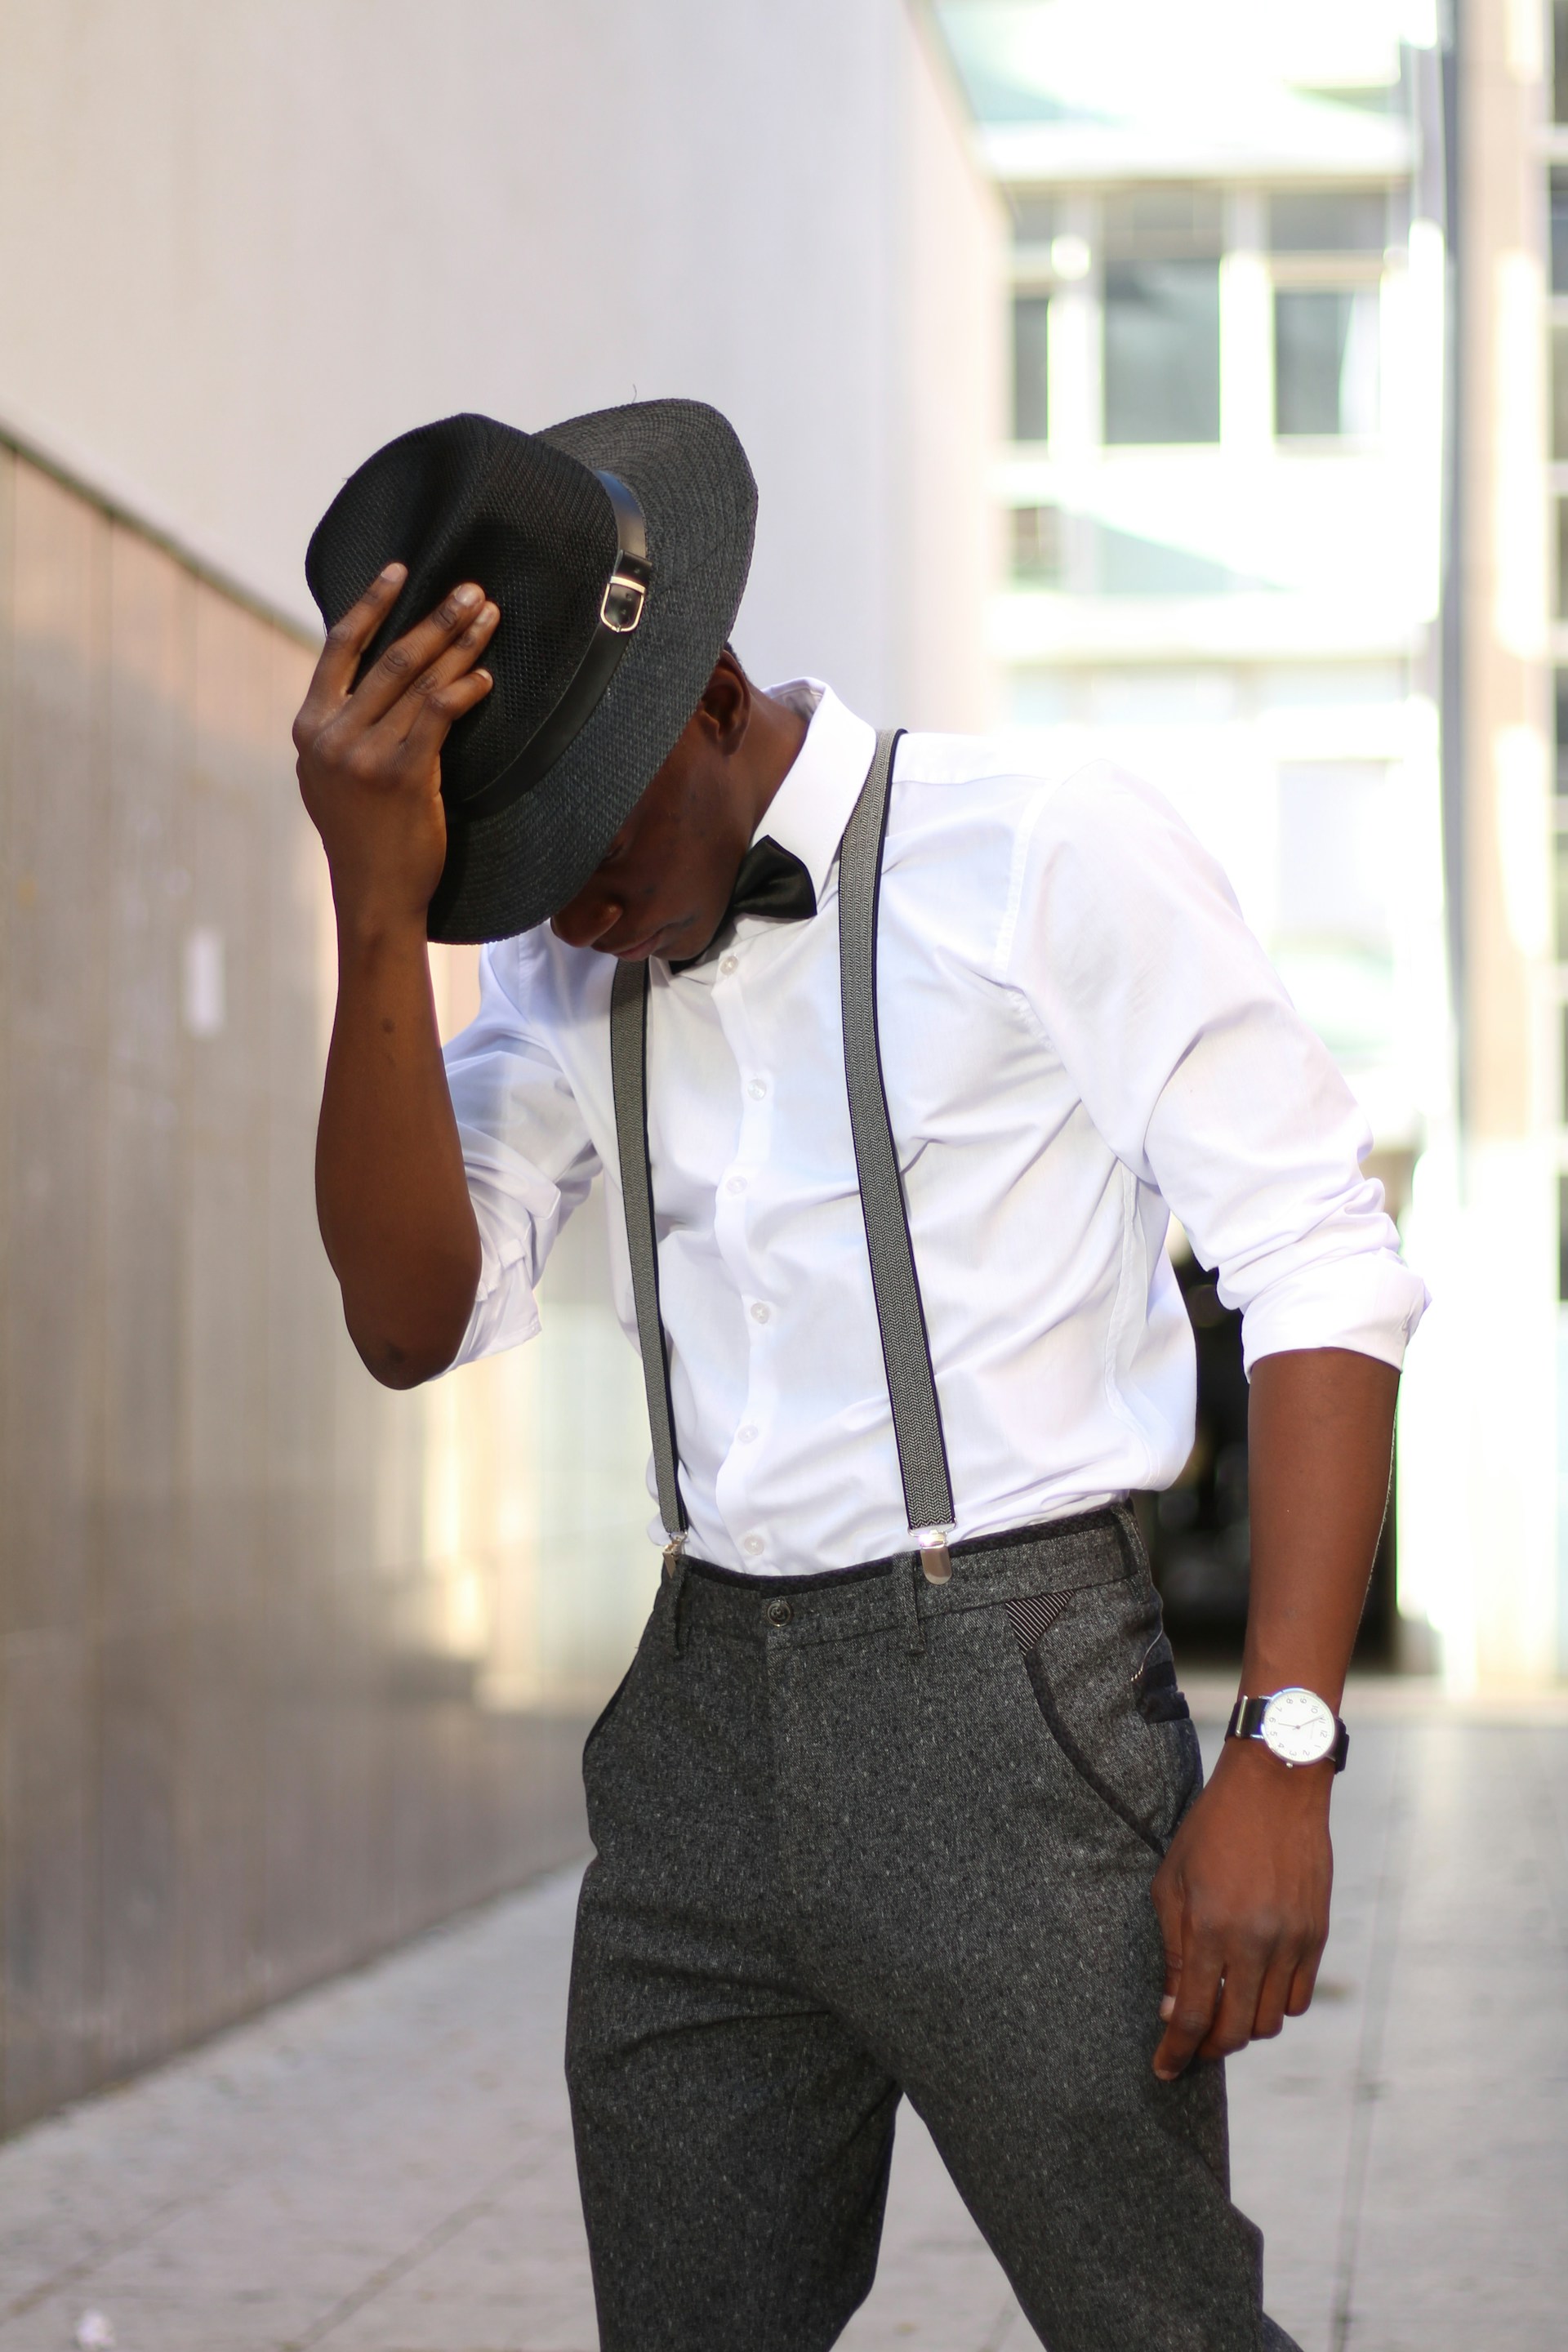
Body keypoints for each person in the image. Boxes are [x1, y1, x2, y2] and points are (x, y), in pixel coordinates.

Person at [296, 402, 1424, 2352]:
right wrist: (379, 916)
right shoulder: (558, 968)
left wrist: (1287, 1746)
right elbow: (408, 1323)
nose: (572, 913)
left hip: (1013, 1701)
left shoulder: (1042, 848)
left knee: (1154, 2326)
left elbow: (1318, 1253)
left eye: (589, 840)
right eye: (517, 872)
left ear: (715, 695)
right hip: (700, 1723)